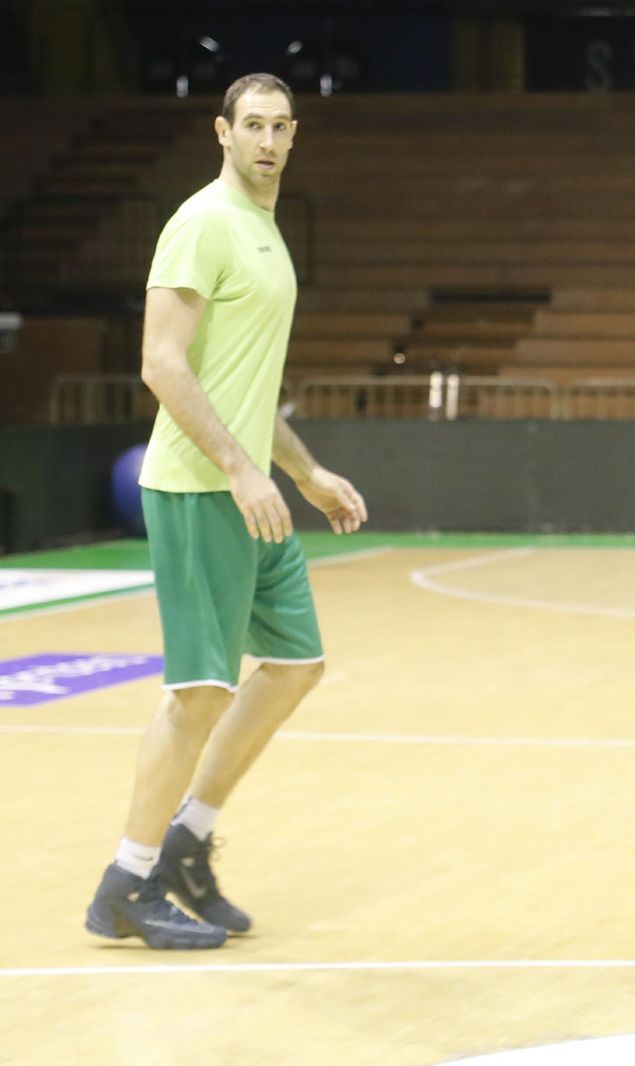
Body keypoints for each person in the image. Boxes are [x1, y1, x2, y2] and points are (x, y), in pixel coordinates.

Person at [85, 74, 367, 950]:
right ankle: (127, 882)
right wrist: (246, 472)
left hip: (251, 487)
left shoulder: (268, 235)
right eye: (253, 125)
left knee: (294, 665)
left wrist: (305, 471)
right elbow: (163, 364)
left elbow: (248, 382)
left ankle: (188, 841)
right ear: (223, 132)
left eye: (282, 126)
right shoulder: (202, 221)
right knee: (198, 693)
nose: (268, 141)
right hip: (199, 488)